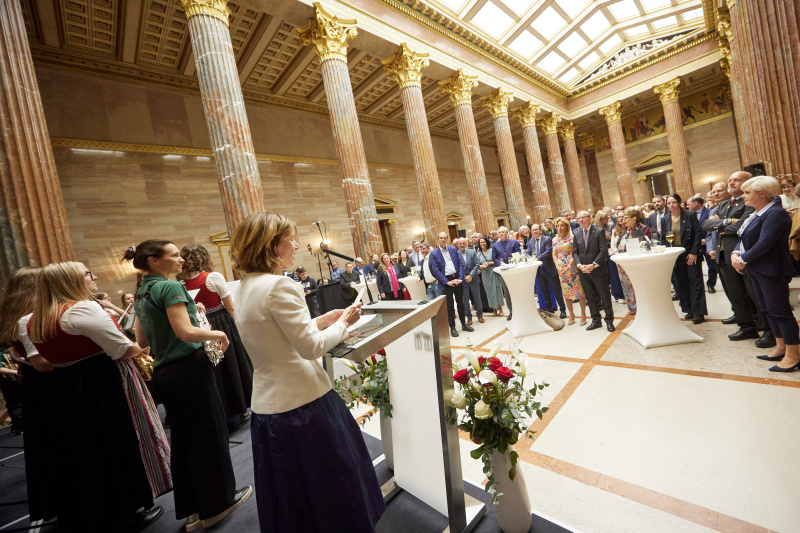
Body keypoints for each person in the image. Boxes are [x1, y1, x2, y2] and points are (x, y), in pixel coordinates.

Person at [231, 212, 385, 532]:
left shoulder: (244, 286)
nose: (298, 245)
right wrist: (344, 324)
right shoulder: (280, 286)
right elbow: (310, 349)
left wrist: (323, 320)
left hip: (268, 406)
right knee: (331, 486)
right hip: (304, 405)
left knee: (294, 497)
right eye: (291, 238)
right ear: (273, 245)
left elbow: (275, 336)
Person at [26, 261, 166, 532]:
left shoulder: (34, 319)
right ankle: (126, 510)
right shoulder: (82, 309)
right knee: (116, 443)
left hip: (65, 388)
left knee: (84, 450)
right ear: (71, 281)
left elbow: (43, 362)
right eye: (88, 274)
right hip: (102, 383)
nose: (95, 276)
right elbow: (122, 350)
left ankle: (94, 511)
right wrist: (148, 340)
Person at [124, 240, 251, 531]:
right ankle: (218, 503)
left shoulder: (142, 291)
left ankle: (193, 509)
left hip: (165, 374)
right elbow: (185, 332)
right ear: (155, 261)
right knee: (210, 436)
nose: (181, 259)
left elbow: (141, 341)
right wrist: (217, 333)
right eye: (174, 255)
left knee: (183, 443)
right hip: (190, 369)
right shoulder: (170, 287)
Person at [0, 268, 55, 521]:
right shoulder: (30, 319)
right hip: (49, 382)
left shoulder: (11, 317)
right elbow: (43, 361)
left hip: (33, 384)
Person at [181, 243, 254, 432]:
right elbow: (230, 306)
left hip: (200, 326)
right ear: (204, 257)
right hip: (221, 324)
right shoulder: (212, 277)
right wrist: (241, 326)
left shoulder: (180, 282)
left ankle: (224, 413)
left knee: (216, 370)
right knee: (231, 365)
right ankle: (237, 411)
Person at [731, 176, 800, 371]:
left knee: (781, 311)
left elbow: (764, 243)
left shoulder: (775, 214)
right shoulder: (756, 214)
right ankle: (781, 347)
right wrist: (736, 253)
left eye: (747, 192)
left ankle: (794, 355)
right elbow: (743, 237)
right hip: (757, 268)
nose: (743, 196)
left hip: (772, 270)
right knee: (767, 309)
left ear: (762, 193)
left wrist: (742, 259)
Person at [702, 172, 766, 342]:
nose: (731, 182)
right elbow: (706, 224)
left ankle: (766, 327)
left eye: (736, 180)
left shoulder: (749, 202)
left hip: (741, 253)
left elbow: (741, 226)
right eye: (730, 180)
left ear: (748, 183)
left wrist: (720, 224)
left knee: (753, 293)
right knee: (736, 294)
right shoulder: (723, 204)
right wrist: (726, 222)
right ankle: (746, 326)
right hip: (723, 255)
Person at [661, 194, 707, 324]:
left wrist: (694, 252)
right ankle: (689, 309)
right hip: (675, 255)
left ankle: (699, 312)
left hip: (690, 253)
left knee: (695, 282)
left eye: (674, 202)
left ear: (680, 203)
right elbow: (664, 239)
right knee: (682, 283)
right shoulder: (665, 219)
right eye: (669, 203)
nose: (671, 205)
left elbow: (698, 233)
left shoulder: (689, 215)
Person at [573, 211, 613, 331]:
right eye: (579, 218)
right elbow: (575, 252)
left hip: (598, 269)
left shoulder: (599, 231)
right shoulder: (576, 233)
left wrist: (594, 264)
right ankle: (596, 320)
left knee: (604, 296)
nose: (581, 220)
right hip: (583, 271)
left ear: (590, 218)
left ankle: (609, 321)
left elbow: (603, 251)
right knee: (590, 297)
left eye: (583, 217)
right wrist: (579, 265)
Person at [429, 232, 473, 337]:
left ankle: (463, 324)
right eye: (441, 238)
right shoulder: (434, 253)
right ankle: (452, 327)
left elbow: (460, 264)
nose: (443, 240)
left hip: (457, 279)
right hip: (446, 281)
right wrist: (446, 281)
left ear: (447, 239)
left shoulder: (453, 249)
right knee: (449, 306)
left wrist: (461, 278)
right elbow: (435, 270)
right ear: (438, 240)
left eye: (445, 238)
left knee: (461, 303)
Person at [614, 208, 653, 315]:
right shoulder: (627, 231)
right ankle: (632, 306)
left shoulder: (645, 230)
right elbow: (622, 246)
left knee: (640, 285)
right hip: (626, 263)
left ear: (634, 219)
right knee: (627, 285)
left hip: (639, 263)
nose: (624, 220)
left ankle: (644, 305)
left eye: (626, 218)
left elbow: (645, 247)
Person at [552, 218, 587, 325]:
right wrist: (557, 267)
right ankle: (571, 314)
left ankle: (583, 314)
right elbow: (554, 254)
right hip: (561, 269)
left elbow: (575, 254)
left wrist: (568, 267)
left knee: (579, 292)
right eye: (557, 226)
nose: (559, 228)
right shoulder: (554, 239)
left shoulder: (572, 238)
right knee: (566, 293)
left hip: (572, 267)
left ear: (566, 226)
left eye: (562, 225)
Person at [528, 224, 566, 318]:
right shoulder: (531, 242)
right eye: (533, 230)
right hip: (539, 271)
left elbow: (548, 251)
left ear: (541, 230)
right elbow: (528, 253)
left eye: (536, 229)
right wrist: (529, 257)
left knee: (557, 291)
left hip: (549, 269)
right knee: (544, 292)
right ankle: (549, 310)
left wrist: (537, 259)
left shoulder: (548, 239)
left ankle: (563, 310)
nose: (534, 231)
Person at [688, 195, 718, 293]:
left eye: (689, 204)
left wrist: (705, 240)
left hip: (707, 244)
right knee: (696, 267)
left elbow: (712, 227)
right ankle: (698, 285)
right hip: (695, 245)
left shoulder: (709, 212)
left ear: (695, 203)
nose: (687, 206)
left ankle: (710, 284)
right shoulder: (689, 215)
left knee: (712, 265)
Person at [492, 226, 521, 321]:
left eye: (503, 232)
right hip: (503, 272)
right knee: (507, 293)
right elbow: (494, 258)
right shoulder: (495, 245)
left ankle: (519, 310)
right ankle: (511, 311)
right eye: (499, 232)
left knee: (517, 290)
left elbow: (518, 254)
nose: (501, 234)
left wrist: (513, 261)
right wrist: (501, 264)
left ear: (507, 233)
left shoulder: (514, 242)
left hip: (514, 271)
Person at [598, 210, 625, 304]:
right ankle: (619, 295)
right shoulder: (615, 230)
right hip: (614, 254)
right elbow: (613, 244)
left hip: (626, 255)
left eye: (623, 216)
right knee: (614, 276)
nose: (621, 218)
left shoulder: (630, 229)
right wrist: (616, 252)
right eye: (619, 217)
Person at [456, 237, 484, 324]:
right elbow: (456, 268)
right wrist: (464, 277)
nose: (462, 245)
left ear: (466, 243)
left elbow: (477, 264)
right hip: (463, 281)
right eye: (460, 243)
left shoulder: (472, 252)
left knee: (477, 299)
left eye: (463, 243)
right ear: (458, 245)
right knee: (465, 301)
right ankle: (469, 318)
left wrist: (471, 275)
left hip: (474, 279)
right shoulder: (456, 254)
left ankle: (480, 316)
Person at [476, 236, 504, 316]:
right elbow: (477, 265)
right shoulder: (478, 254)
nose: (482, 244)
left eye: (484, 242)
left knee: (497, 290)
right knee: (490, 293)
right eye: (481, 242)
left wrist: (490, 263)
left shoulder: (491, 250)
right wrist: (482, 266)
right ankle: (494, 309)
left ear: (487, 243)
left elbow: (497, 261)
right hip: (485, 274)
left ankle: (500, 308)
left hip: (493, 272)